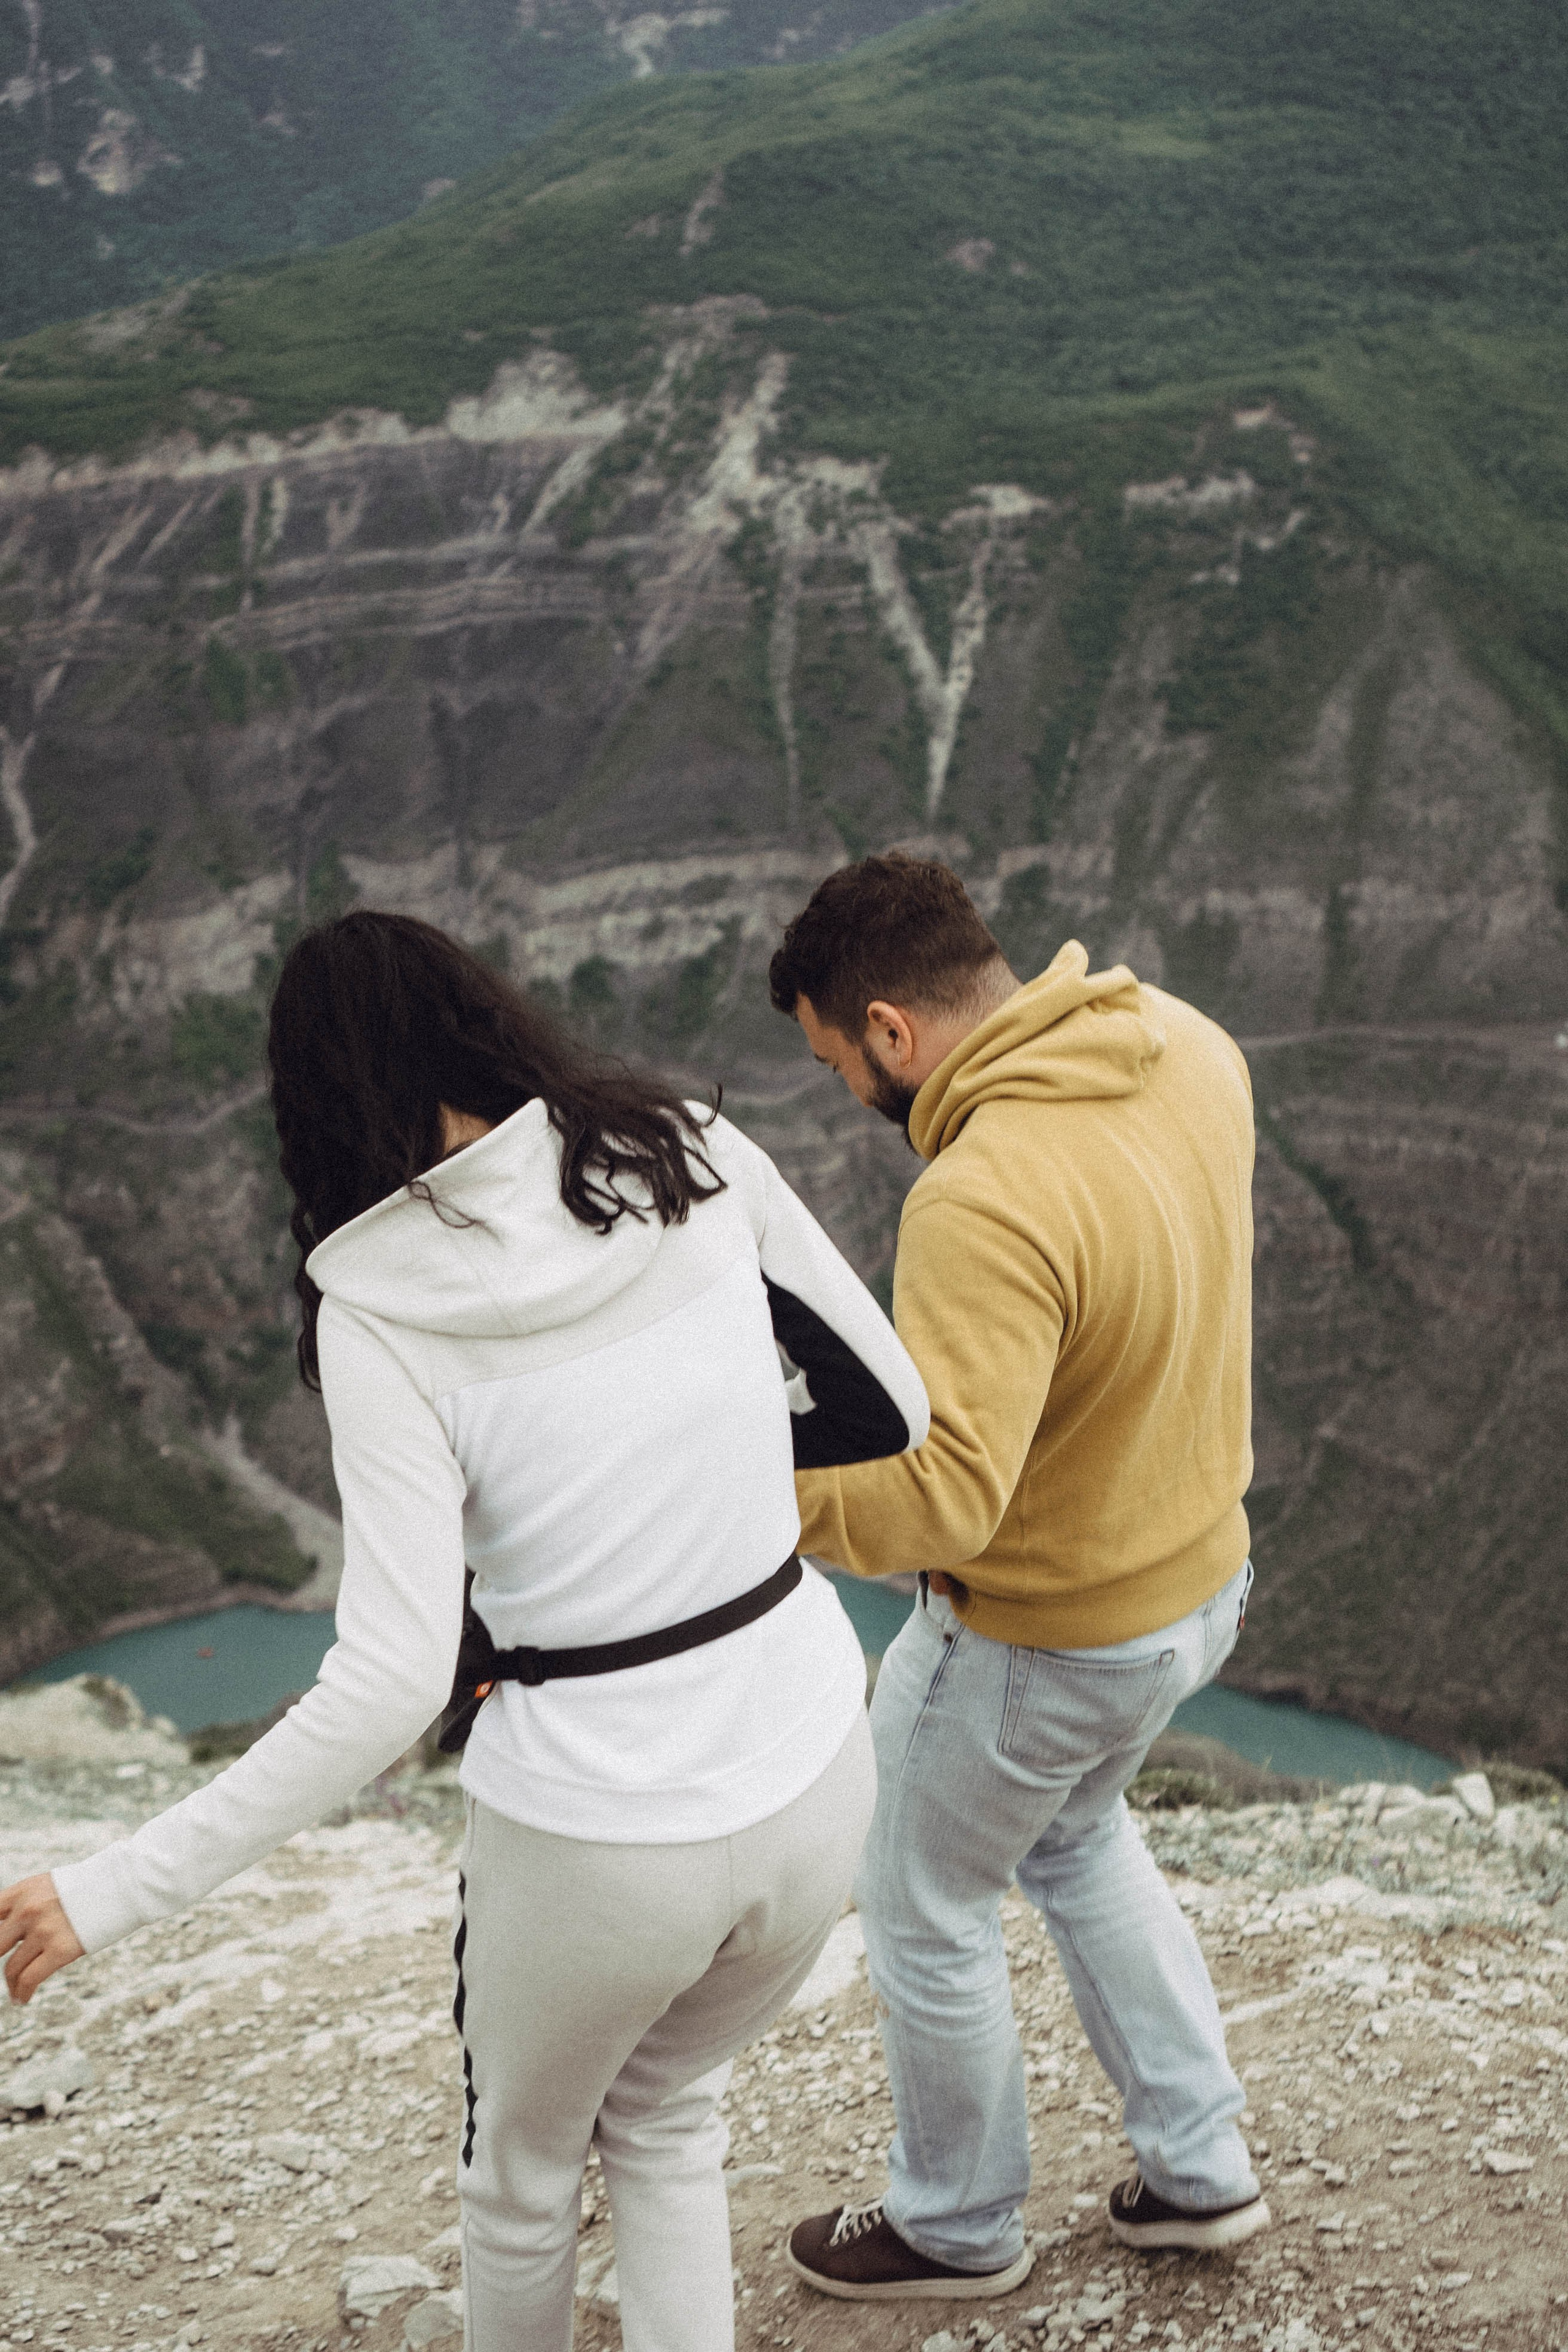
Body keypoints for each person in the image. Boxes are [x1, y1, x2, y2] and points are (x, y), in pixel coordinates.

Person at [0, 911, 930, 2352]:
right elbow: (892, 1406)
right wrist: (698, 1467)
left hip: (599, 1836)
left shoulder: (376, 1303)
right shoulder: (689, 1150)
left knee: (521, 2187)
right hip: (814, 1768)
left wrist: (112, 1891)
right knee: (672, 2119)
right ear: (479, 1019)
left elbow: (386, 1684)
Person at [766, 852, 1268, 2301]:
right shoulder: (1187, 1043)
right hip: (1197, 1591)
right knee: (1073, 1837)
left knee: (921, 1895)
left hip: (1044, 1638)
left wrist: (748, 1499)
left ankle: (954, 2224)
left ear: (890, 1031)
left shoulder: (977, 1196)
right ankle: (1197, 2169)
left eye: (836, 1062)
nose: (852, 1098)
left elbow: (945, 1496)